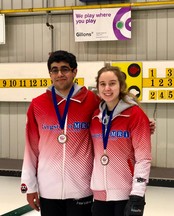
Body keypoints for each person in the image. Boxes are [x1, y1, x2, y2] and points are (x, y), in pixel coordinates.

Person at [21, 50, 155, 216]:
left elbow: (117, 106)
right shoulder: (38, 105)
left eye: (65, 69)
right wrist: (29, 185)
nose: (60, 74)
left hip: (82, 187)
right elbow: (31, 149)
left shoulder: (91, 100)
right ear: (50, 74)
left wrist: (143, 122)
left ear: (75, 72)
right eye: (54, 70)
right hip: (48, 188)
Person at [90, 66, 152, 216]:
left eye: (112, 83)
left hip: (127, 193)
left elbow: (143, 158)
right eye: (103, 84)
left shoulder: (135, 114)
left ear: (121, 86)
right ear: (98, 88)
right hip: (100, 193)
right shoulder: (94, 116)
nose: (107, 88)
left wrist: (137, 193)